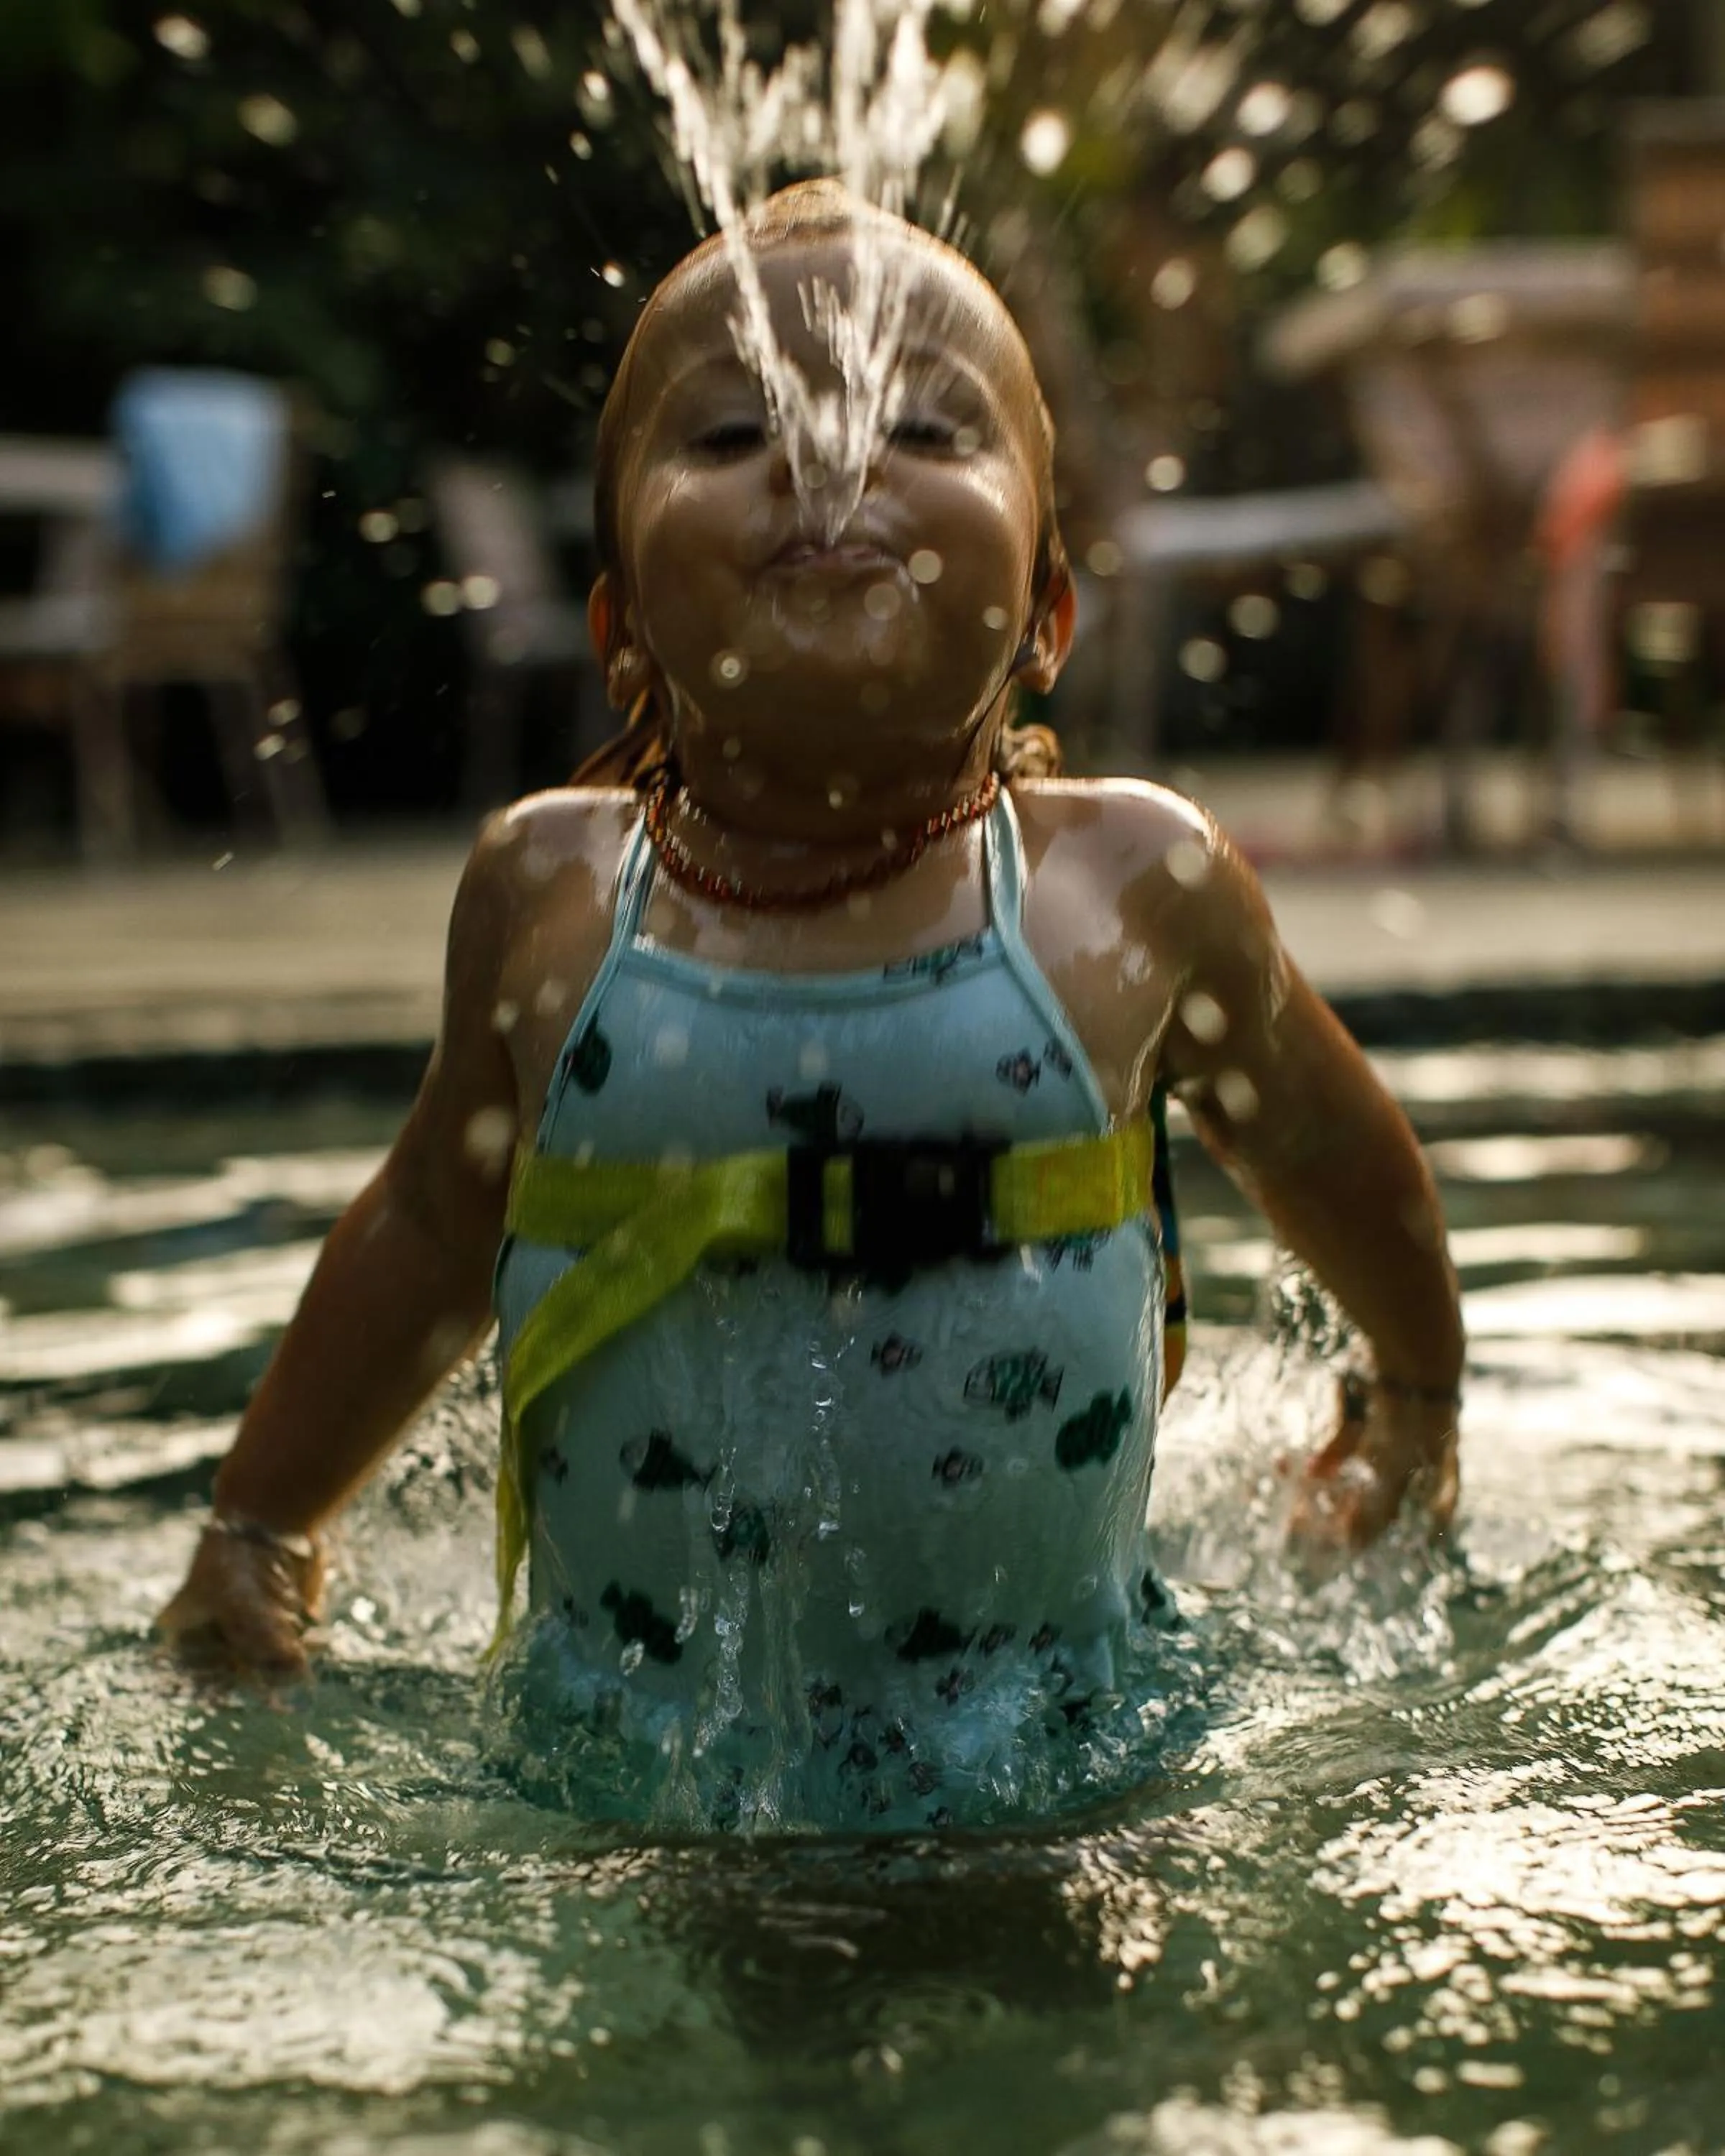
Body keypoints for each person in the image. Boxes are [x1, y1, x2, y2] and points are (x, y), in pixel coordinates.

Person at [159, 183, 1463, 1828]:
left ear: (1047, 619)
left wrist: (1412, 1399)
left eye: (922, 422)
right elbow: (429, 1225)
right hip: (626, 1773)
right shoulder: (551, 897)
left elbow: (1334, 1154)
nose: (830, 457)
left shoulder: (1127, 888)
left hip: (1058, 1763)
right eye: (727, 436)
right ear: (624, 635)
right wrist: (260, 1528)